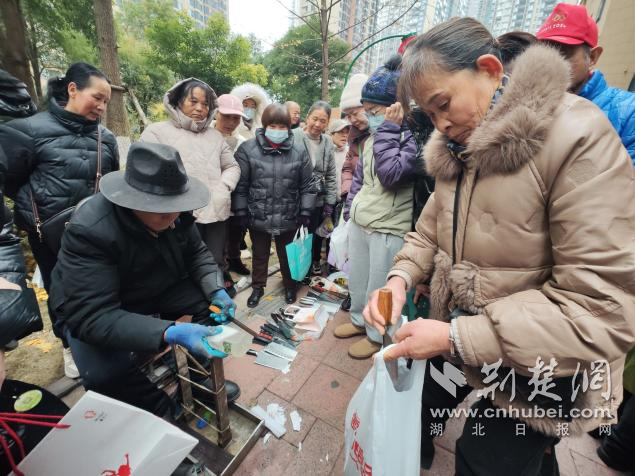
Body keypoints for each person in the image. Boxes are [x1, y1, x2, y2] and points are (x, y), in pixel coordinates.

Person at [363, 18, 635, 474]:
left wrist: (454, 336)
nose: (441, 124)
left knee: (486, 459)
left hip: (541, 358)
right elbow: (429, 231)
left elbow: (601, 305)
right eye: (429, 115)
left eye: (443, 104)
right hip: (459, 328)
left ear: (490, 69)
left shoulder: (577, 135)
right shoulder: (455, 149)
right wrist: (398, 279)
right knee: (421, 410)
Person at [48, 142, 241, 417]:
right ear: (133, 199)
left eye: (176, 205)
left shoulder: (176, 212)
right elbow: (91, 315)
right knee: (105, 375)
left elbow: (197, 253)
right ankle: (158, 411)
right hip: (96, 307)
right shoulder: (90, 230)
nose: (172, 216)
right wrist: (167, 331)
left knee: (209, 307)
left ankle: (197, 379)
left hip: (152, 284)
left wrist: (216, 290)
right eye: (161, 208)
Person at [0, 62, 119, 379]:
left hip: (96, 230)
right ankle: (69, 345)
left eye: (106, 101)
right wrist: (37, 205)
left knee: (101, 286)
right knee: (60, 293)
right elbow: (10, 181)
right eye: (97, 97)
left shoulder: (105, 138)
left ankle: (102, 339)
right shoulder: (26, 131)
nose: (102, 106)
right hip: (50, 234)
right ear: (72, 89)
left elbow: (111, 182)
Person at [334, 55, 419, 360]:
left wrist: (390, 130)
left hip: (388, 228)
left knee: (380, 288)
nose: (368, 118)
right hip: (362, 221)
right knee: (358, 280)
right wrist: (350, 212)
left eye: (374, 111)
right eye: (366, 111)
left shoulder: (410, 138)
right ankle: (359, 320)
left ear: (397, 107)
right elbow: (360, 180)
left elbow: (390, 175)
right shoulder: (371, 139)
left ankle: (378, 335)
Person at [140, 79, 241, 297]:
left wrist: (223, 187)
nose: (199, 108)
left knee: (214, 259)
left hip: (214, 209)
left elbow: (232, 166)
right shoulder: (157, 132)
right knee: (179, 261)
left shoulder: (215, 137)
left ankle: (215, 296)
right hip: (176, 213)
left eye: (205, 104)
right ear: (178, 101)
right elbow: (146, 171)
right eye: (193, 101)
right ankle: (187, 303)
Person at [233, 104, 316, 307]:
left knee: (288, 255)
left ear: (289, 127)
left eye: (282, 127)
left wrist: (305, 211)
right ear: (265, 126)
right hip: (258, 213)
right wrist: (241, 210)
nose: (277, 131)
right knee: (259, 254)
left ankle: (290, 285)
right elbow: (241, 185)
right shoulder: (247, 149)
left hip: (289, 213)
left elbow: (308, 185)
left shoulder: (299, 151)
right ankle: (257, 287)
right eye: (273, 126)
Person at [537, 2, 635, 163]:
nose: (550, 63)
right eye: (544, 53)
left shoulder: (629, 111)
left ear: (593, 57)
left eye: (563, 53)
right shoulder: (533, 105)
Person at [293, 101, 337, 276]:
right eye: (315, 119)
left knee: (314, 235)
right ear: (307, 117)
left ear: (327, 123)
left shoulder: (327, 142)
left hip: (318, 198)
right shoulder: (294, 136)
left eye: (323, 121)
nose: (318, 124)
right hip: (296, 198)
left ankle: (310, 266)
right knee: (296, 236)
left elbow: (331, 174)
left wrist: (329, 203)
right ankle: (295, 270)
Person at [213, 94, 252, 277]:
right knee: (217, 236)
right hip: (213, 196)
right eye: (226, 116)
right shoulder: (205, 136)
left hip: (237, 196)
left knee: (237, 232)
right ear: (216, 113)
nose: (230, 122)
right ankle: (220, 267)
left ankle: (235, 260)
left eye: (235, 118)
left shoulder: (243, 142)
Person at [339, 74, 370, 202]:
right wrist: (348, 190)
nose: (352, 120)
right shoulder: (354, 137)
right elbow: (347, 167)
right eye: (348, 116)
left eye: (355, 113)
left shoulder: (385, 133)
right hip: (354, 200)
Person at [328, 119, 351, 204]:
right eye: (341, 132)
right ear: (332, 134)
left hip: (344, 201)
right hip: (325, 202)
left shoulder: (350, 153)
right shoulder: (325, 151)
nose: (345, 135)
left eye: (347, 132)